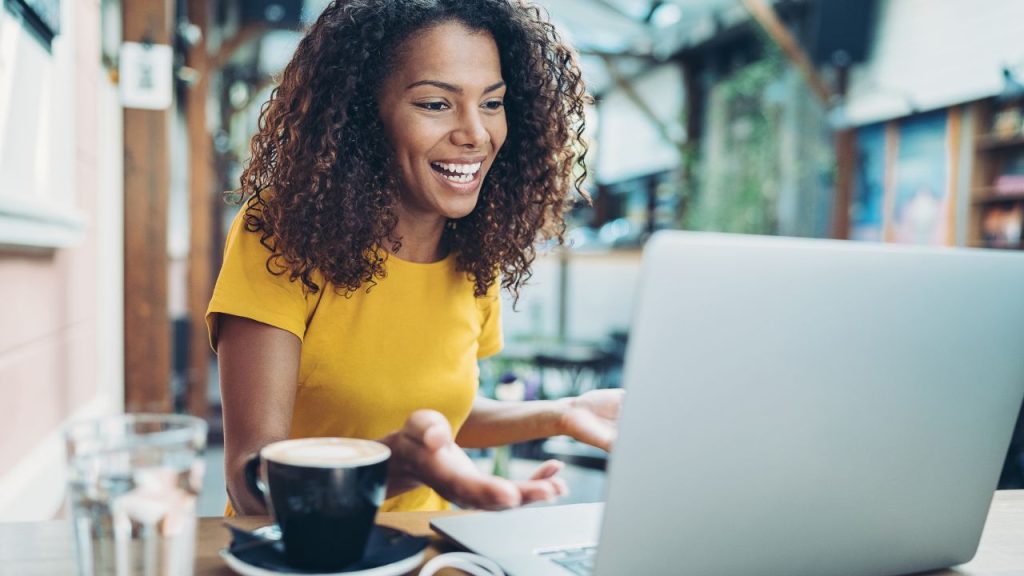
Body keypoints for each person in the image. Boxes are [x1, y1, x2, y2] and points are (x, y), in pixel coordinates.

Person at [207, 0, 623, 516]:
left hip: (430, 552)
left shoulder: (478, 249)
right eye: (435, 104)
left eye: (492, 103)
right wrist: (397, 468)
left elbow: (448, 416)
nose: (475, 132)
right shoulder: (282, 233)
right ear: (364, 115)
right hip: (302, 559)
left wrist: (564, 413)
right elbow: (250, 483)